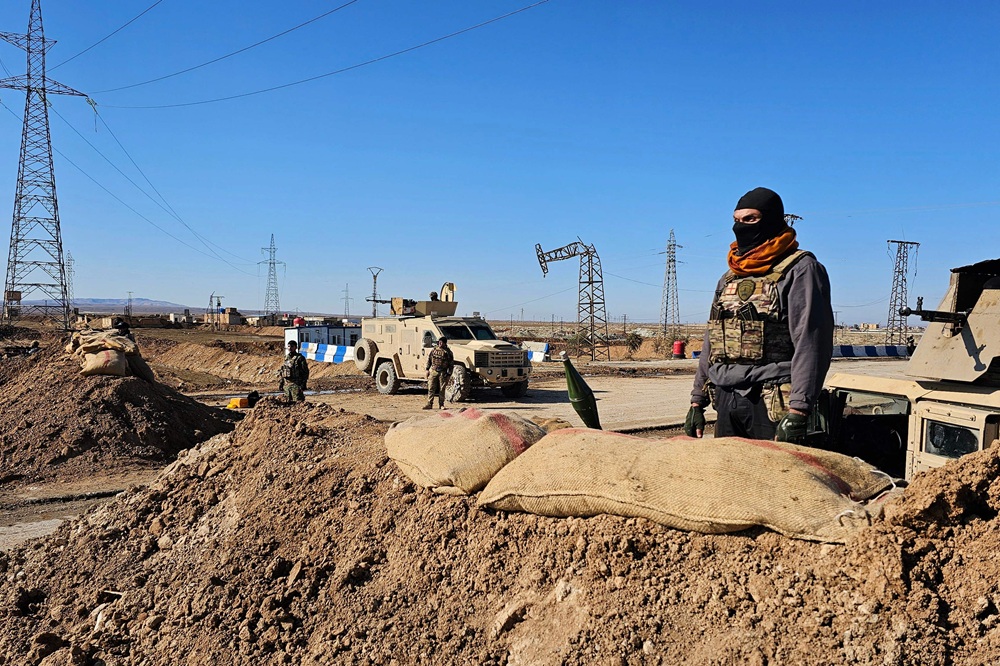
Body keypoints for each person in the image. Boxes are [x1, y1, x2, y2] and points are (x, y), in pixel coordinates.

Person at [685, 187, 833, 444]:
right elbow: (713, 340)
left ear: (773, 220)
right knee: (728, 478)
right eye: (736, 220)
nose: (740, 227)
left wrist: (799, 409)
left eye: (750, 219)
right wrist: (697, 400)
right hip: (726, 398)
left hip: (771, 399)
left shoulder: (801, 270)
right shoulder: (729, 277)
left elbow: (811, 344)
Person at [424, 337, 454, 409]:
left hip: (443, 372)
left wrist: (449, 375)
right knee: (431, 387)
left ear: (445, 343)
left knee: (442, 389)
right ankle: (429, 404)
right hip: (434, 371)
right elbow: (429, 359)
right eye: (439, 342)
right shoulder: (434, 350)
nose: (440, 344)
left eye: (441, 342)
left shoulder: (448, 352)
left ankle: (441, 404)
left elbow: (451, 365)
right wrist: (427, 369)